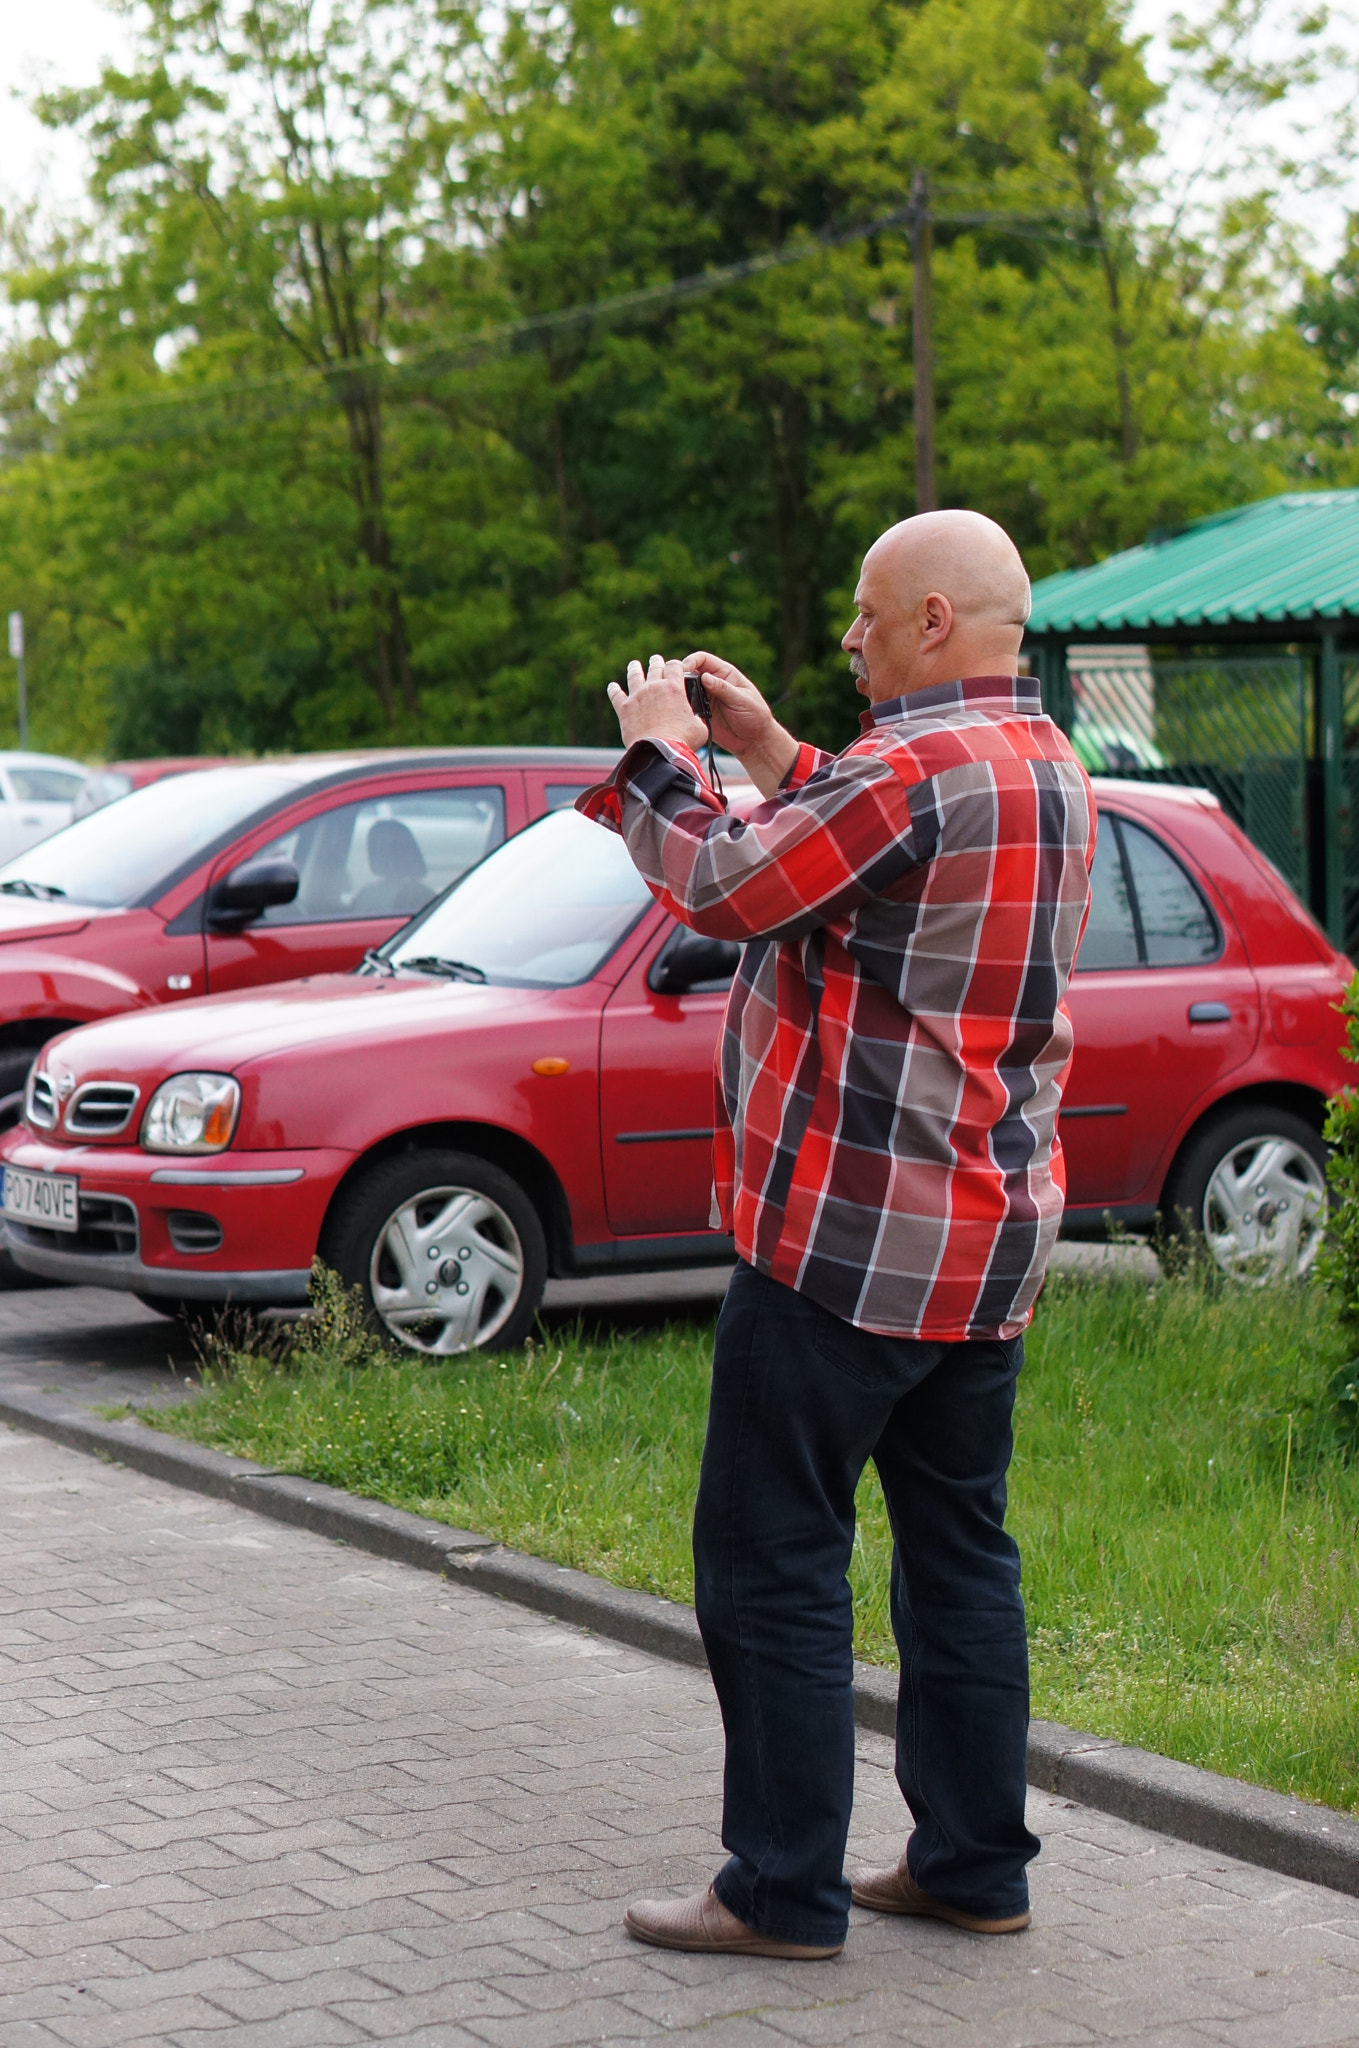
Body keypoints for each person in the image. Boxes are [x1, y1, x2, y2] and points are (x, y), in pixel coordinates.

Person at [577, 509, 1095, 1961]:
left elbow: (735, 887)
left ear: (935, 621)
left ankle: (780, 1889)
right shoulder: (1045, 765)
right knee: (958, 1562)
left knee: (772, 1561)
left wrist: (661, 753)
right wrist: (765, 748)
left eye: (869, 615)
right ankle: (976, 1864)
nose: (850, 636)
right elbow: (858, 850)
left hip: (842, 1248)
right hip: (984, 1245)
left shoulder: (917, 767)